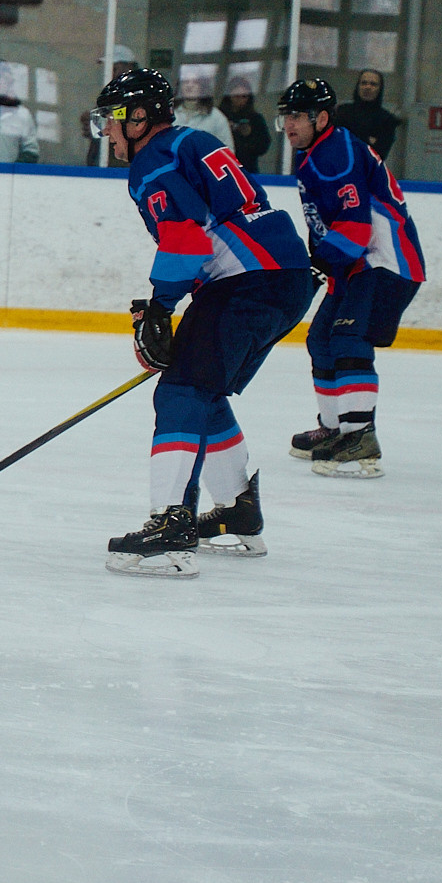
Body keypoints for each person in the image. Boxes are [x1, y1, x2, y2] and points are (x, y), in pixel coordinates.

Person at [89, 67, 314, 576]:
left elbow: (186, 238)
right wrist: (164, 304)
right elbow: (213, 230)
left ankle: (171, 528)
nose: (106, 130)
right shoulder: (190, 141)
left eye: (113, 119)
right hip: (282, 277)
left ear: (140, 118)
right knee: (203, 391)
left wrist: (162, 306)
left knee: (179, 393)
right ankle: (238, 511)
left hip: (249, 281)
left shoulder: (153, 162)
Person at [277, 78, 427, 478]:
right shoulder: (313, 152)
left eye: (296, 116)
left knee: (347, 338)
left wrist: (318, 266)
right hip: (354, 264)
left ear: (321, 118)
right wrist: (317, 262)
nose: (288, 124)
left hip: (384, 261)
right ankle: (335, 430)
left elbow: (356, 227)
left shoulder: (337, 153)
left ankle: (360, 436)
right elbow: (322, 222)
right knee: (321, 338)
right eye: (285, 116)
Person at [332, 68, 403, 162]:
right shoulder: (342, 112)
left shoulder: (387, 120)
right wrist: (367, 140)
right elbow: (334, 144)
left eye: (373, 84)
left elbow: (378, 155)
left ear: (380, 89)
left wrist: (352, 136)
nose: (368, 87)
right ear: (358, 86)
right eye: (364, 83)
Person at [217, 76, 272, 173]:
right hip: (221, 168)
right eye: (237, 96)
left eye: (244, 96)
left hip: (247, 169)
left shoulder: (255, 119)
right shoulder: (219, 117)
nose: (240, 100)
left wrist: (249, 135)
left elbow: (263, 147)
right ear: (229, 95)